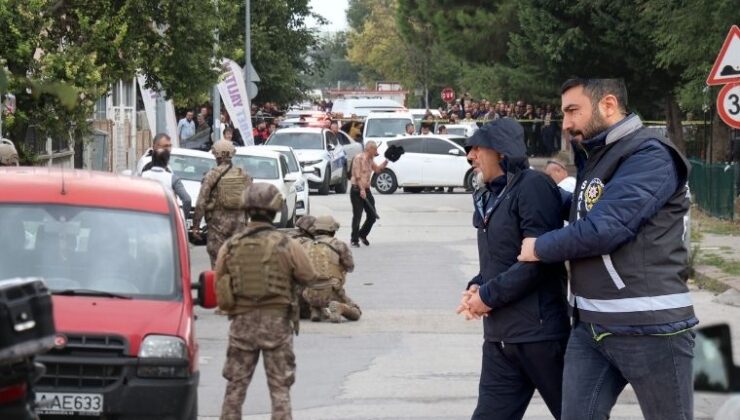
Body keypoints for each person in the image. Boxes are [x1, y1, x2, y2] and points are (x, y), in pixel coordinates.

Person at [518, 78, 696, 420]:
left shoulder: (650, 154)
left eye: (572, 111)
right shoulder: (600, 155)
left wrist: (539, 247)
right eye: (563, 113)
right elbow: (586, 211)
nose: (566, 123)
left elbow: (606, 228)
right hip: (592, 326)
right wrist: (535, 194)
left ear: (608, 105)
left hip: (650, 325)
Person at [458, 118, 569, 420]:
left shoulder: (533, 186)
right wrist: (477, 286)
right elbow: (499, 261)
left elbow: (538, 262)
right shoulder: (489, 195)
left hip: (539, 336)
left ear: (501, 152)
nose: (471, 157)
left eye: (477, 149)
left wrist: (488, 296)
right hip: (500, 339)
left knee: (576, 414)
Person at [215, 182, 317, 420]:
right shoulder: (287, 244)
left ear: (246, 209)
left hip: (242, 325)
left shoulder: (231, 245)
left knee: (235, 390)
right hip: (277, 325)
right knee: (280, 390)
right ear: (275, 210)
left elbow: (219, 281)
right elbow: (309, 276)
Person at [192, 140, 253, 267]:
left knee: (217, 264)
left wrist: (196, 225)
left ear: (216, 155)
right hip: (239, 226)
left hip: (217, 227)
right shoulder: (243, 174)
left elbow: (201, 201)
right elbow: (251, 199)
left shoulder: (212, 175)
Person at [300, 215, 361, 323]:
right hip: (331, 291)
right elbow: (350, 267)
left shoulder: (305, 245)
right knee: (356, 313)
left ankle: (316, 310)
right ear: (333, 231)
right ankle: (340, 308)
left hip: (308, 293)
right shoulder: (338, 245)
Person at [349, 141, 388, 248]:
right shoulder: (358, 158)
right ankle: (354, 239)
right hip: (357, 190)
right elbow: (357, 177)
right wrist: (361, 190)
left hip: (366, 190)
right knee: (357, 215)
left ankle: (362, 234)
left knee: (372, 215)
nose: (376, 152)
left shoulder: (371, 160)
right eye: (375, 149)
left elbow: (378, 170)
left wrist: (388, 160)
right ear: (369, 149)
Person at [141, 148, 192, 218]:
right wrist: (181, 218)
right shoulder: (173, 179)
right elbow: (187, 200)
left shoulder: (142, 176)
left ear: (152, 160)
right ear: (167, 161)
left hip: (145, 217)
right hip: (166, 220)